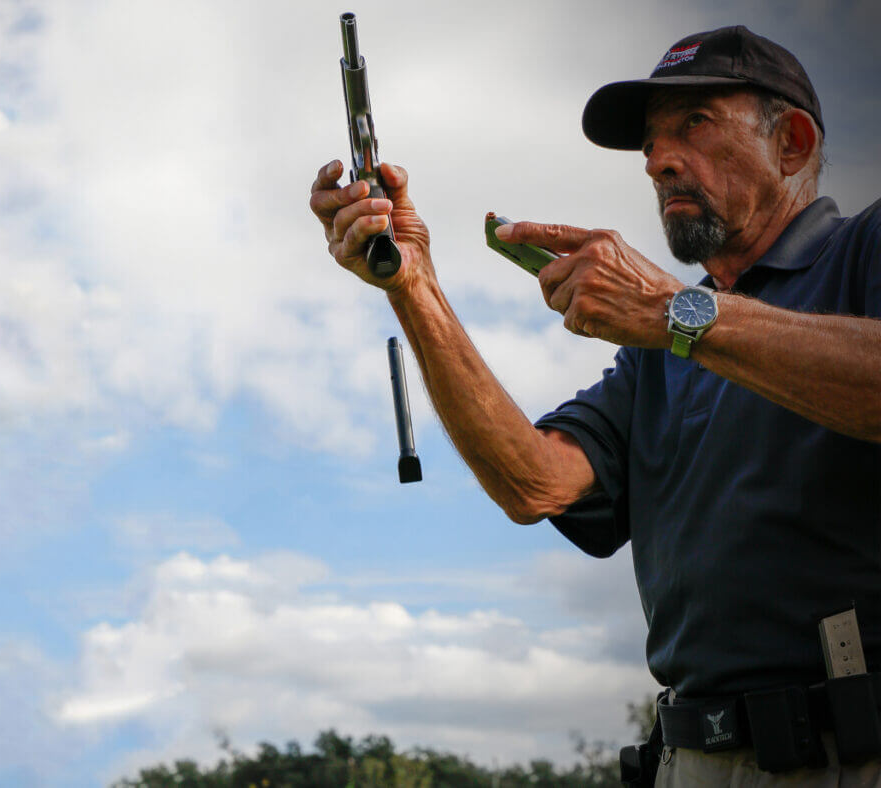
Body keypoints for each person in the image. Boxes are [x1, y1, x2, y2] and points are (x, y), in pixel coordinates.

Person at [310, 25, 881, 785]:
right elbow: (533, 482)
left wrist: (677, 313)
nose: (658, 160)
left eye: (694, 126)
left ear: (792, 143)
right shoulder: (661, 357)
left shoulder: (860, 253)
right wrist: (414, 286)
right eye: (649, 144)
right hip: (691, 762)